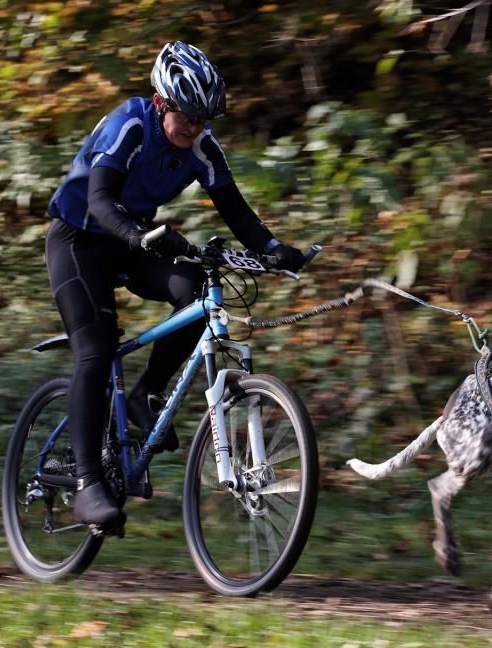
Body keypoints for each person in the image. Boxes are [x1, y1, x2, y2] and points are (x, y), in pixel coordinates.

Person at [45, 41, 306, 530]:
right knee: (96, 350)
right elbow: (100, 199)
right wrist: (135, 235)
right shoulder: (131, 125)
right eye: (186, 116)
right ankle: (86, 485)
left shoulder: (201, 146)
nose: (195, 128)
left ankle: (145, 394)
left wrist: (273, 248)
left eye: (204, 119)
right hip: (78, 241)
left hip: (133, 239)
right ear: (162, 102)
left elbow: (234, 208)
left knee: (197, 290)